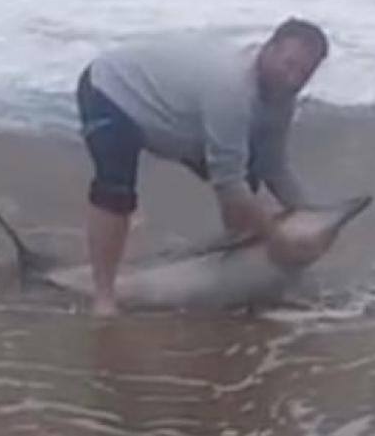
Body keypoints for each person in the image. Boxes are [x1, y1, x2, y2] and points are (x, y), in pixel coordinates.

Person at [75, 18, 331, 316]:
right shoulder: (232, 88)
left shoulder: (281, 96)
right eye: (289, 64)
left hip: (177, 120)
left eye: (304, 72)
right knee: (116, 191)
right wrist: (277, 240)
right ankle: (104, 297)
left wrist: (314, 215)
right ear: (268, 49)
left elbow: (274, 167)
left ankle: (231, 276)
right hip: (112, 92)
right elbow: (230, 189)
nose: (293, 78)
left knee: (252, 175)